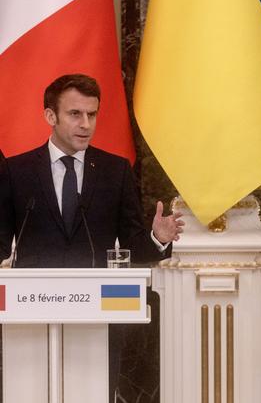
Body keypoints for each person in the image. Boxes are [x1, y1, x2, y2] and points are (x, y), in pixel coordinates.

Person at [0, 74, 183, 267]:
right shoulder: (16, 171)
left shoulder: (115, 171)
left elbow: (133, 248)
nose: (86, 124)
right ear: (50, 116)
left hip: (97, 295)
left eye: (92, 114)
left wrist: (158, 238)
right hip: (33, 294)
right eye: (75, 114)